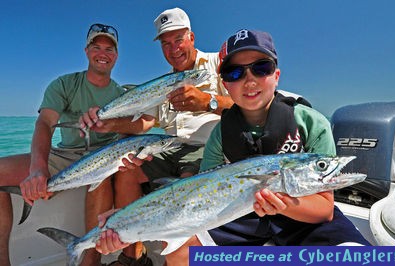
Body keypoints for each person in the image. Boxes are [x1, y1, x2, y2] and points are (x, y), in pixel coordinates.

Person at [95, 29, 371, 265]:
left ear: (276, 75)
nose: (249, 80)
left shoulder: (311, 122)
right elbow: (196, 195)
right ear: (225, 83)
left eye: (260, 68)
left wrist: (281, 203)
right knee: (180, 253)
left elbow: (323, 210)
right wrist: (125, 219)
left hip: (302, 222)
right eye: (235, 72)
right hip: (242, 221)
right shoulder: (219, 136)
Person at [81, 7, 233, 266]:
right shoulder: (160, 85)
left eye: (179, 40)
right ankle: (134, 256)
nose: (173, 49)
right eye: (166, 43)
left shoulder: (218, 64)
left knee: (180, 189)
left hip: (209, 147)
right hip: (169, 147)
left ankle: (177, 255)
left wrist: (207, 102)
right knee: (126, 169)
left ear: (192, 37)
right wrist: (106, 124)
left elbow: (246, 104)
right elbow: (145, 123)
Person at [0, 23, 154, 266]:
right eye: (96, 47)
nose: (103, 53)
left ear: (116, 56)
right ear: (86, 51)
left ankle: (90, 261)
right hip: (65, 155)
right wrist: (38, 168)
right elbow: (44, 123)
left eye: (109, 49)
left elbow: (140, 125)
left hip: (105, 158)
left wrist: (113, 129)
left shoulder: (121, 96)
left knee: (103, 178)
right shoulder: (64, 84)